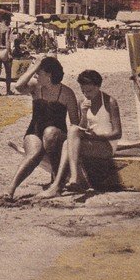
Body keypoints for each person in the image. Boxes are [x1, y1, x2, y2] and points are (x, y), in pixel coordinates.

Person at [38, 70, 122, 198]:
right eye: (83, 91)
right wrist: (83, 113)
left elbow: (117, 133)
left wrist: (96, 137)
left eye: (89, 91)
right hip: (89, 141)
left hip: (106, 145)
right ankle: (70, 179)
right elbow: (80, 129)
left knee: (68, 142)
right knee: (71, 134)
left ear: (98, 87)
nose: (86, 95)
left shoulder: (110, 102)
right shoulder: (82, 102)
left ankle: (62, 183)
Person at [5, 56, 79, 199]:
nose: (35, 76)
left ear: (49, 75)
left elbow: (74, 123)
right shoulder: (36, 87)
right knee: (34, 152)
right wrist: (35, 66)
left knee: (50, 133)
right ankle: (11, 188)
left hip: (57, 135)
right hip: (35, 131)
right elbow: (18, 86)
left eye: (39, 73)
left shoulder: (67, 93)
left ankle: (56, 179)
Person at [0, 16, 13, 96]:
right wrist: (9, 53)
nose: (10, 22)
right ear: (6, 19)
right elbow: (7, 41)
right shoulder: (7, 28)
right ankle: (8, 90)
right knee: (8, 72)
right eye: (9, 20)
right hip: (4, 50)